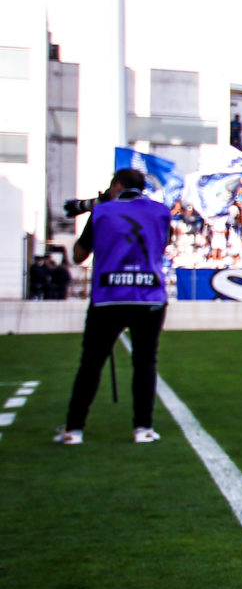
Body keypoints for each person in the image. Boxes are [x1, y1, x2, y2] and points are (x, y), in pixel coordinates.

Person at [53, 167, 174, 445]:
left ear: (116, 186)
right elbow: (162, 245)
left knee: (91, 364)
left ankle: (74, 429)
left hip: (109, 296)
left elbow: (78, 255)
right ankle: (143, 427)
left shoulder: (102, 212)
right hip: (149, 296)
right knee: (145, 362)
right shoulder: (161, 211)